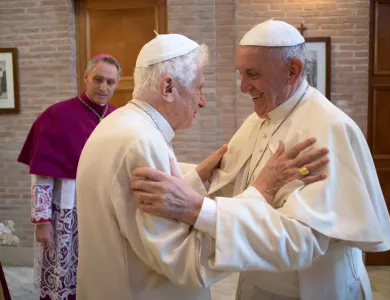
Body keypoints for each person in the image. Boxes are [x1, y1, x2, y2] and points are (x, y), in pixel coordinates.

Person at [131, 20, 390, 300]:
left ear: (292, 70)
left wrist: (198, 208)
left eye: (253, 74)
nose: (244, 87)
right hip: (256, 286)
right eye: (241, 74)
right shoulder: (257, 121)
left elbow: (302, 242)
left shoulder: (328, 130)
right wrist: (197, 180)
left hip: (311, 290)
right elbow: (231, 191)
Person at [75, 33, 329, 300]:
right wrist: (260, 193)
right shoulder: (141, 142)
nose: (202, 100)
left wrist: (197, 180)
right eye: (199, 87)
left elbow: (137, 212)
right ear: (168, 88)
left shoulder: (121, 124)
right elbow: (186, 262)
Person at [17, 54, 121, 300]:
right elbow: (41, 174)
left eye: (110, 82)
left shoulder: (120, 117)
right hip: (66, 213)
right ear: (86, 77)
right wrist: (42, 221)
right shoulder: (56, 115)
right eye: (97, 79)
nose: (103, 88)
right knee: (63, 275)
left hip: (106, 214)